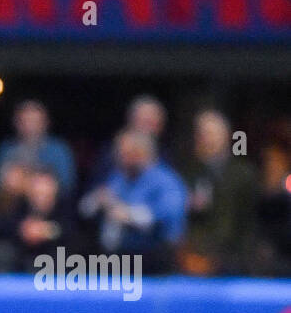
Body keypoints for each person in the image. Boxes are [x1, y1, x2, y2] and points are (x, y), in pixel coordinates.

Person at [79, 130, 187, 272]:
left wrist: (129, 215)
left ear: (143, 153)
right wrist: (98, 199)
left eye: (126, 154)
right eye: (119, 154)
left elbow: (170, 215)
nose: (120, 158)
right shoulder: (120, 177)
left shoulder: (165, 180)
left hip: (154, 257)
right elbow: (86, 208)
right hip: (119, 258)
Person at [180, 109, 258, 276]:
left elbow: (250, 219)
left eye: (212, 134)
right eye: (203, 134)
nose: (208, 139)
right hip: (198, 258)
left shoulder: (243, 173)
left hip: (236, 258)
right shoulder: (187, 173)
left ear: (226, 136)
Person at [0, 100, 76, 196]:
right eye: (24, 121)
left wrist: (36, 181)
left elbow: (67, 185)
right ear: (16, 123)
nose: (30, 127)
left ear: (45, 123)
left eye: (35, 121)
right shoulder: (6, 148)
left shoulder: (58, 149)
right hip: (11, 206)